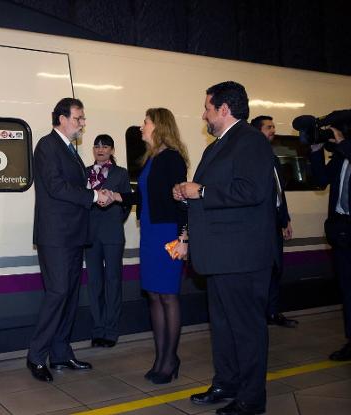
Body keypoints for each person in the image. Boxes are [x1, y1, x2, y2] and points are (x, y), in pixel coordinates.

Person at [173, 81, 275, 415]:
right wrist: (188, 196)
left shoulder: (250, 141)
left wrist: (200, 192)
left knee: (246, 330)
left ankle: (251, 397)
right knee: (223, 327)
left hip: (241, 258)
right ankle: (226, 383)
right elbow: (209, 192)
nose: (204, 113)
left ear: (224, 109)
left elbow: (253, 190)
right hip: (219, 257)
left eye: (207, 107)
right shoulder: (219, 144)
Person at [27, 97, 112, 382]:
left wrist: (99, 193)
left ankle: (61, 353)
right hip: (56, 235)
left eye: (82, 118)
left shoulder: (70, 150)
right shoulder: (47, 146)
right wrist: (92, 196)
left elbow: (77, 184)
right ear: (61, 118)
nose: (82, 123)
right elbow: (56, 187)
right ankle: (36, 355)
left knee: (71, 294)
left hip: (74, 234)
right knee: (58, 293)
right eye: (78, 118)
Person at [112, 108, 188, 384]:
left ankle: (170, 359)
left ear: (158, 126)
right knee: (154, 296)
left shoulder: (172, 159)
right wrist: (117, 196)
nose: (141, 127)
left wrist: (183, 237)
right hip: (150, 234)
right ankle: (161, 357)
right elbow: (141, 195)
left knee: (168, 296)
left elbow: (182, 201)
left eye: (145, 122)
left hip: (168, 233)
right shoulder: (150, 159)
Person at [250, 115, 297, 328]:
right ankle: (258, 315)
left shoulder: (273, 158)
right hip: (259, 227)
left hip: (275, 224)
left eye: (273, 126)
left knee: (277, 269)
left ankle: (273, 312)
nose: (273, 130)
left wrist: (285, 218)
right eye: (269, 127)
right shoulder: (252, 158)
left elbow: (279, 193)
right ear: (257, 131)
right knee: (260, 270)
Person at [85, 134, 131, 349]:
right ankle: (98, 329)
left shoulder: (121, 173)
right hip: (91, 235)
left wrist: (114, 221)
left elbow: (126, 204)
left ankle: (111, 330)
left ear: (112, 150)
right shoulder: (85, 173)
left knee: (113, 281)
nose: (100, 149)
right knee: (94, 283)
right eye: (97, 146)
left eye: (105, 146)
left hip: (112, 234)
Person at [309, 127, 351, 361]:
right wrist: (316, 150)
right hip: (342, 231)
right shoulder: (341, 158)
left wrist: (343, 143)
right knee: (347, 289)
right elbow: (321, 180)